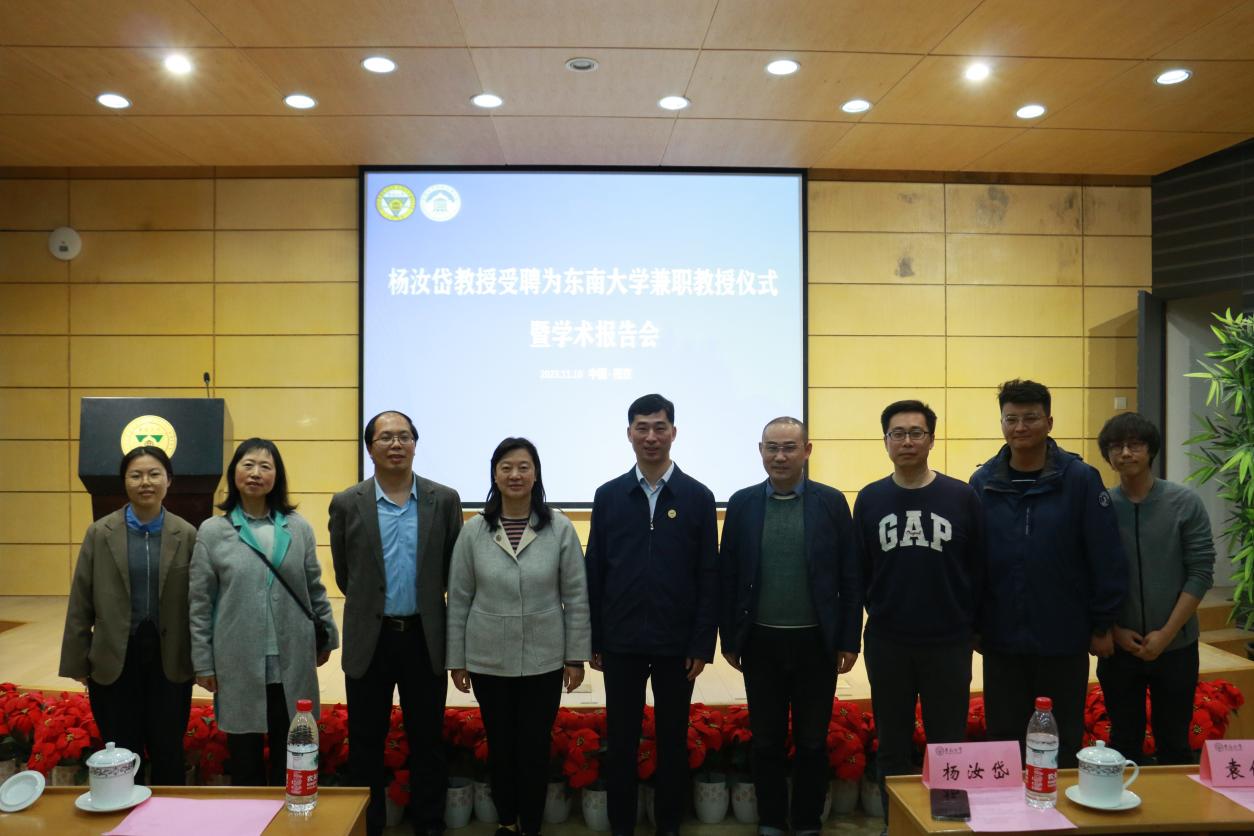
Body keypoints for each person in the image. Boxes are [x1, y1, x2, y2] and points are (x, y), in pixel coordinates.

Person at [970, 379, 1127, 767]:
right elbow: (971, 562)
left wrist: (1102, 623)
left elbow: (1105, 554)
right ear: (1002, 424)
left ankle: (1058, 804)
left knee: (1061, 737)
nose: (1020, 427)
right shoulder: (983, 482)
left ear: (1049, 422)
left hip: (1063, 636)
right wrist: (974, 623)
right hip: (1002, 638)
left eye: (1030, 418)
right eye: (1011, 419)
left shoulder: (1080, 479)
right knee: (1004, 738)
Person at [719, 417, 860, 836]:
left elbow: (851, 575)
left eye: (789, 447)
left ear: (807, 451)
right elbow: (728, 575)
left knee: (812, 740)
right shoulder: (742, 503)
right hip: (760, 641)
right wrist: (730, 637)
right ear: (760, 451)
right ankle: (770, 820)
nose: (780, 456)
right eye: (772, 448)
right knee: (765, 740)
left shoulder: (831, 502)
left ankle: (806, 821)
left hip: (816, 642)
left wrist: (849, 639)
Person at [586, 393, 717, 836]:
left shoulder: (698, 497)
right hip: (620, 642)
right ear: (629, 434)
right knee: (622, 739)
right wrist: (595, 639)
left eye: (660, 427)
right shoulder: (608, 496)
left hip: (676, 644)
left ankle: (669, 824)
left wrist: (702, 642)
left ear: (673, 433)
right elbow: (595, 572)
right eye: (642, 428)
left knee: (673, 739)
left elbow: (708, 575)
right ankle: (621, 825)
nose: (651, 436)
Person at [447, 437, 590, 836]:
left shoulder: (559, 527)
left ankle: (532, 824)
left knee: (535, 746)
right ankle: (507, 821)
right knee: (500, 744)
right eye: (506, 467)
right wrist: (456, 659)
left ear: (536, 474)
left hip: (545, 658)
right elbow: (459, 598)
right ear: (494, 474)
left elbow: (576, 595)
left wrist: (575, 656)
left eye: (524, 467)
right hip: (488, 658)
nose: (515, 475)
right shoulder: (474, 530)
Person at [330, 411, 464, 836]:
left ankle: (429, 824)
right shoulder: (347, 502)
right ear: (370, 448)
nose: (396, 444)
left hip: (425, 636)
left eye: (404, 436)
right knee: (366, 741)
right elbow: (345, 573)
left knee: (427, 740)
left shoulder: (444, 500)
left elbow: (453, 568)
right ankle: (367, 825)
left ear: (415, 445)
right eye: (385, 437)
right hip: (371, 638)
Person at [853, 401, 983, 824]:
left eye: (916, 433)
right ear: (886, 441)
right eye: (898, 433)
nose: (907, 441)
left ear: (931, 439)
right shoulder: (870, 499)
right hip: (888, 642)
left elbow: (979, 567)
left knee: (948, 743)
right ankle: (898, 825)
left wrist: (974, 626)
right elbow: (860, 570)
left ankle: (949, 821)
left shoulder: (961, 496)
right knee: (892, 744)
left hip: (948, 643)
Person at [189, 438, 338, 786]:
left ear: (277, 477)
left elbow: (314, 587)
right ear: (234, 473)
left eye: (265, 466)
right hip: (237, 659)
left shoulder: (298, 527)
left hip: (293, 657)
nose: (256, 473)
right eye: (248, 465)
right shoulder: (213, 531)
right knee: (245, 758)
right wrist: (203, 663)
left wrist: (328, 636)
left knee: (294, 751)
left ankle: (292, 812)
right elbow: (200, 603)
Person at [59, 445, 198, 785]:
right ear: (124, 482)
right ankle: (123, 812)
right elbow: (81, 600)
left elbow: (199, 603)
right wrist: (78, 660)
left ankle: (168, 813)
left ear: (169, 480)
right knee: (121, 748)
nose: (145, 482)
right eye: (136, 475)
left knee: (168, 748)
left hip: (169, 658)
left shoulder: (187, 534)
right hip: (115, 657)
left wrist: (204, 660)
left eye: (154, 474)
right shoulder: (100, 533)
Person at [1097, 412, 1215, 765]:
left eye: (1135, 445)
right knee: (1123, 744)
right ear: (1108, 456)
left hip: (1176, 644)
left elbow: (1200, 572)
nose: (1125, 453)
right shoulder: (1101, 506)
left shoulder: (1184, 503)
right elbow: (1088, 573)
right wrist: (1114, 629)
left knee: (1175, 743)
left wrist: (1166, 634)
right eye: (1116, 446)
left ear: (1150, 450)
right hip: (1120, 647)